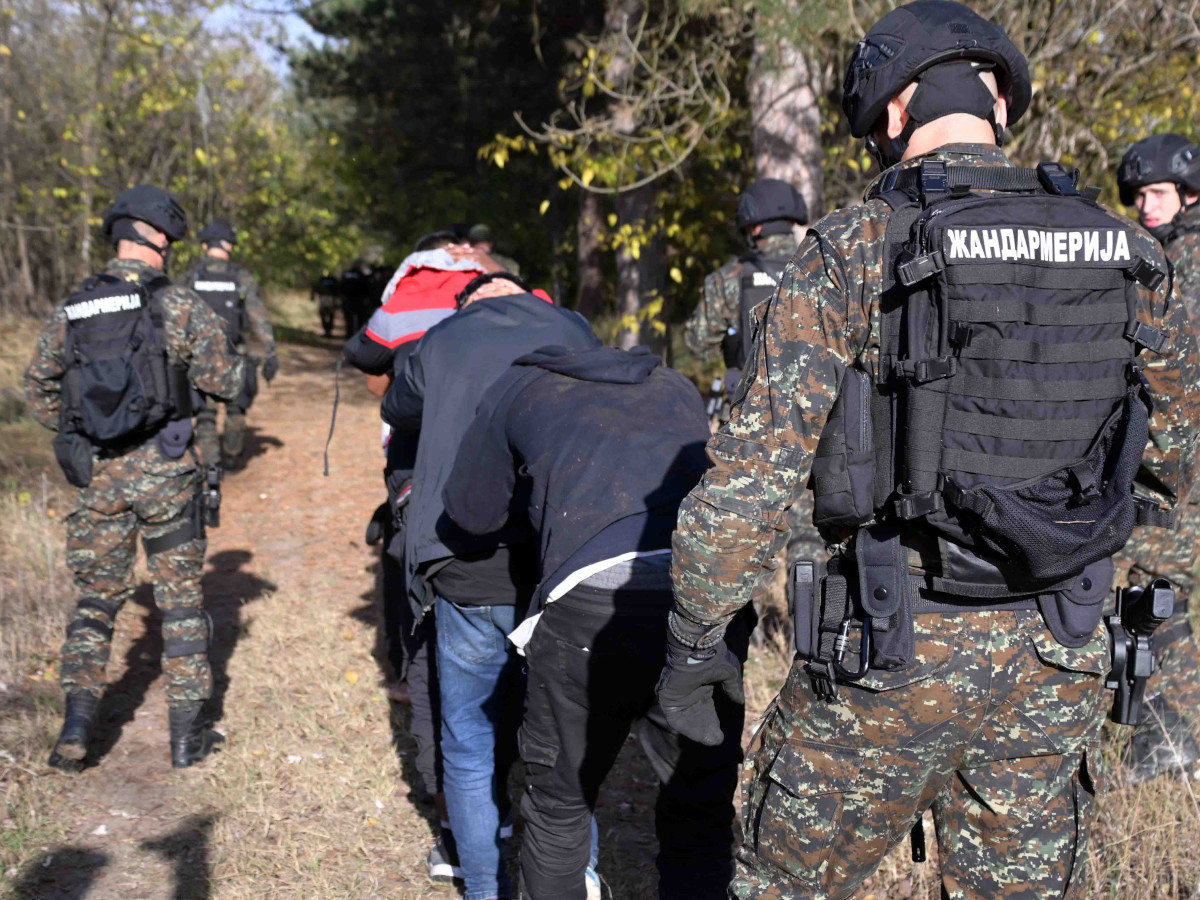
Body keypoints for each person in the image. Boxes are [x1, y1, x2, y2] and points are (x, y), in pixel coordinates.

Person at [655, 3, 1200, 897]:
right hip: (1058, 652)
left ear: (895, 112)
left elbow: (749, 485)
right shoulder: (1133, 253)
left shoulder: (854, 249)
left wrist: (692, 643)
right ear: (999, 104)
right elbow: (1169, 464)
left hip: (887, 647)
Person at [443, 344, 750, 899]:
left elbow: (471, 513)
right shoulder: (674, 383)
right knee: (700, 803)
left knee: (559, 806)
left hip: (591, 599)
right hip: (706, 589)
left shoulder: (519, 385)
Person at [382, 272, 598, 900]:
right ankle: (576, 880)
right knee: (564, 734)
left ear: (469, 303)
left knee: (469, 742)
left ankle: (483, 890)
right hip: (556, 558)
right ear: (525, 294)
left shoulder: (445, 337)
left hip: (466, 564)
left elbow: (397, 408)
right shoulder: (572, 327)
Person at [25, 185, 245, 770]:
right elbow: (226, 381)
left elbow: (39, 391)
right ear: (158, 239)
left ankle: (75, 729)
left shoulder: (73, 308)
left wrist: (86, 429)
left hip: (98, 477)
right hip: (167, 472)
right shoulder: (177, 304)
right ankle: (186, 739)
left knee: (96, 600)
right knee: (181, 606)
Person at [342, 233, 493, 880]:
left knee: (432, 648)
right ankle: (500, 805)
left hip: (422, 488)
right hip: (511, 485)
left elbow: (373, 373)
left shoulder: (405, 297)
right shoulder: (509, 291)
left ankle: (454, 819)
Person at [1113, 133, 1200, 782]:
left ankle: (1174, 741)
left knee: (1158, 591)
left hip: (1183, 458)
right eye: (1140, 195)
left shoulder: (1183, 264)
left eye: (1159, 193)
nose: (1146, 205)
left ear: (1189, 194)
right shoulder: (1166, 257)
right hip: (1178, 451)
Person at [683, 180, 822, 578]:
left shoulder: (731, 278)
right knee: (809, 535)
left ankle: (749, 613)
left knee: (742, 537)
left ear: (754, 226)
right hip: (818, 420)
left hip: (753, 427)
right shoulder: (821, 268)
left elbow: (696, 342)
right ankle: (809, 611)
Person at [180, 218, 278, 472]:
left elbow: (177, 315)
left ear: (205, 245)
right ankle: (233, 458)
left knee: (205, 414)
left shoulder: (192, 275)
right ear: (229, 245)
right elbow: (257, 315)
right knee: (236, 410)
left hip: (201, 356)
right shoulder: (239, 276)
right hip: (234, 354)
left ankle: (212, 464)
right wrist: (270, 349)